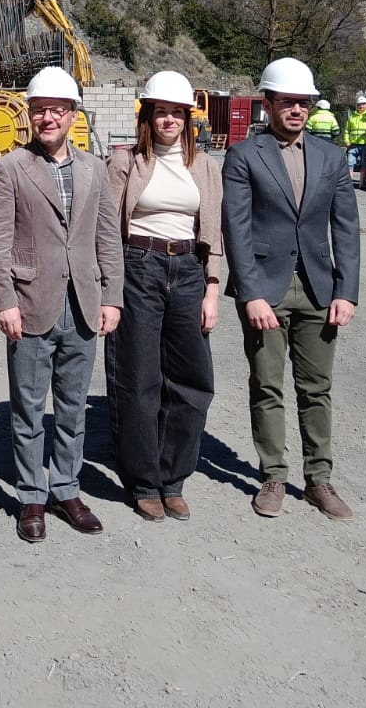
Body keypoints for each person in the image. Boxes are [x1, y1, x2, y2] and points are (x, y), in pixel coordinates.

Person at [0, 67, 123, 543]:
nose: (48, 118)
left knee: (73, 407)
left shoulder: (94, 169)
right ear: (29, 113)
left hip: (82, 303)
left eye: (58, 110)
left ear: (72, 115)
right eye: (41, 110)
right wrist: (4, 300)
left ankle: (66, 489)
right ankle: (31, 496)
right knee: (28, 408)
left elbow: (107, 238)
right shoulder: (10, 168)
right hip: (30, 304)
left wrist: (112, 297)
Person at [222, 56, 360, 523]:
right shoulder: (245, 156)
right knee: (267, 385)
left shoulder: (331, 157)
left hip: (320, 288)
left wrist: (346, 291)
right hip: (267, 289)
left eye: (304, 102)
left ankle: (319, 480)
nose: (297, 109)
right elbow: (236, 229)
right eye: (288, 102)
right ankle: (273, 477)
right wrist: (250, 293)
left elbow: (346, 229)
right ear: (269, 103)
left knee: (317, 388)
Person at [105, 71, 225, 522]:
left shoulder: (206, 167)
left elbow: (213, 230)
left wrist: (212, 287)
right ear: (148, 116)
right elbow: (107, 227)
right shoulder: (126, 162)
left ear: (188, 118)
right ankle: (143, 481)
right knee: (139, 376)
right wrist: (109, 288)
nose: (169, 120)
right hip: (139, 264)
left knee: (192, 377)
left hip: (189, 269)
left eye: (178, 113)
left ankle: (173, 478)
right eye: (161, 112)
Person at [343, 95, 366, 177]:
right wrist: (347, 141)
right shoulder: (352, 117)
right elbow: (347, 131)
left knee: (364, 165)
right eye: (359, 104)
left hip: (365, 144)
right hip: (353, 144)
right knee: (350, 163)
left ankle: (362, 183)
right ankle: (349, 182)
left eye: (363, 104)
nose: (361, 106)